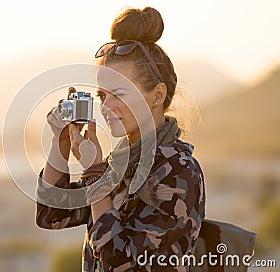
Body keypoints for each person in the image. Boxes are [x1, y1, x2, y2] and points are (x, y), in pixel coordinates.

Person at [36, 6, 205, 272]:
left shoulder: (179, 169)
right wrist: (62, 144)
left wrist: (94, 173)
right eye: (103, 96)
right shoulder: (120, 163)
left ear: (157, 95)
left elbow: (119, 262)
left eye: (119, 94)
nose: (105, 108)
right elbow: (52, 215)